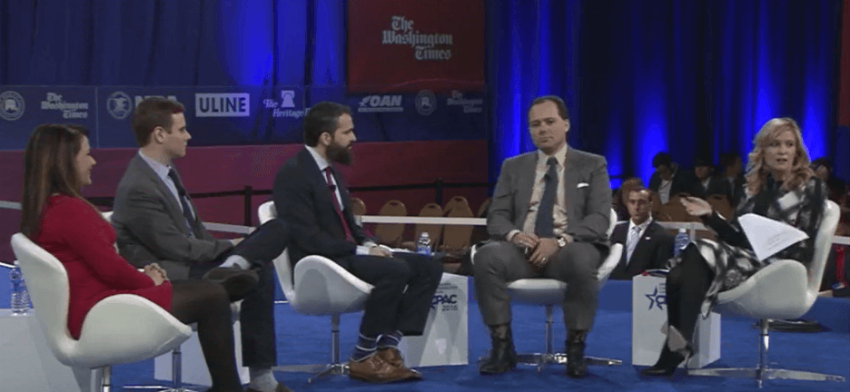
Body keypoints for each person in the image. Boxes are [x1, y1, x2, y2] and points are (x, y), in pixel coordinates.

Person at [19, 124, 248, 392]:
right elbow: (111, 269)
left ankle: (221, 282)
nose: (93, 161)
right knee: (213, 298)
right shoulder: (69, 211)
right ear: (66, 161)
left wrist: (146, 277)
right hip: (101, 310)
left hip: (98, 304)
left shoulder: (47, 207)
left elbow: (104, 265)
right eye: (87, 154)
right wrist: (148, 280)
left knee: (210, 292)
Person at [111, 98, 291, 392]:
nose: (188, 136)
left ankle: (234, 268)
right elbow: (177, 248)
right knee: (258, 270)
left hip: (194, 261)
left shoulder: (166, 172)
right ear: (159, 134)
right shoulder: (138, 186)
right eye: (181, 130)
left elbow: (195, 232)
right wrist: (230, 244)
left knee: (278, 229)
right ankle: (260, 382)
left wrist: (232, 251)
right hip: (170, 271)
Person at [642, 117, 828, 376]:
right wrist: (710, 216)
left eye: (789, 144)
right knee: (687, 261)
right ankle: (678, 344)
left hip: (785, 265)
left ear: (797, 151)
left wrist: (777, 241)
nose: (783, 151)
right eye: (775, 144)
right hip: (747, 259)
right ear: (763, 150)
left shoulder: (812, 187)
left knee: (691, 260)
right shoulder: (750, 189)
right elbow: (737, 239)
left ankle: (675, 347)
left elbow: (807, 242)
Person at [272, 101, 442, 383]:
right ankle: (362, 356)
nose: (354, 139)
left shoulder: (332, 171)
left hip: (347, 253)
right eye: (347, 132)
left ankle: (388, 347)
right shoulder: (293, 174)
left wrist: (373, 243)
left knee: (429, 266)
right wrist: (362, 249)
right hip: (321, 261)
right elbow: (306, 237)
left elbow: (349, 224)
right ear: (326, 137)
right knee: (396, 270)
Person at [473, 95, 612, 378]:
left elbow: (599, 218)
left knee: (582, 258)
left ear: (566, 124)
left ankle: (575, 347)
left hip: (568, 246)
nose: (543, 129)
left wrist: (560, 241)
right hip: (523, 249)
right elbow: (496, 216)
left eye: (550, 122)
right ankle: (502, 345)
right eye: (535, 124)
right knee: (487, 257)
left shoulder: (592, 164)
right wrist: (514, 235)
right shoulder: (513, 166)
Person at [609, 187, 673, 280]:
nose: (636, 207)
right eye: (632, 202)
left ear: (650, 204)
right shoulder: (615, 232)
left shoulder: (662, 236)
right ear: (627, 204)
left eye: (641, 202)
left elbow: (660, 272)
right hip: (613, 287)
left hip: (644, 289)